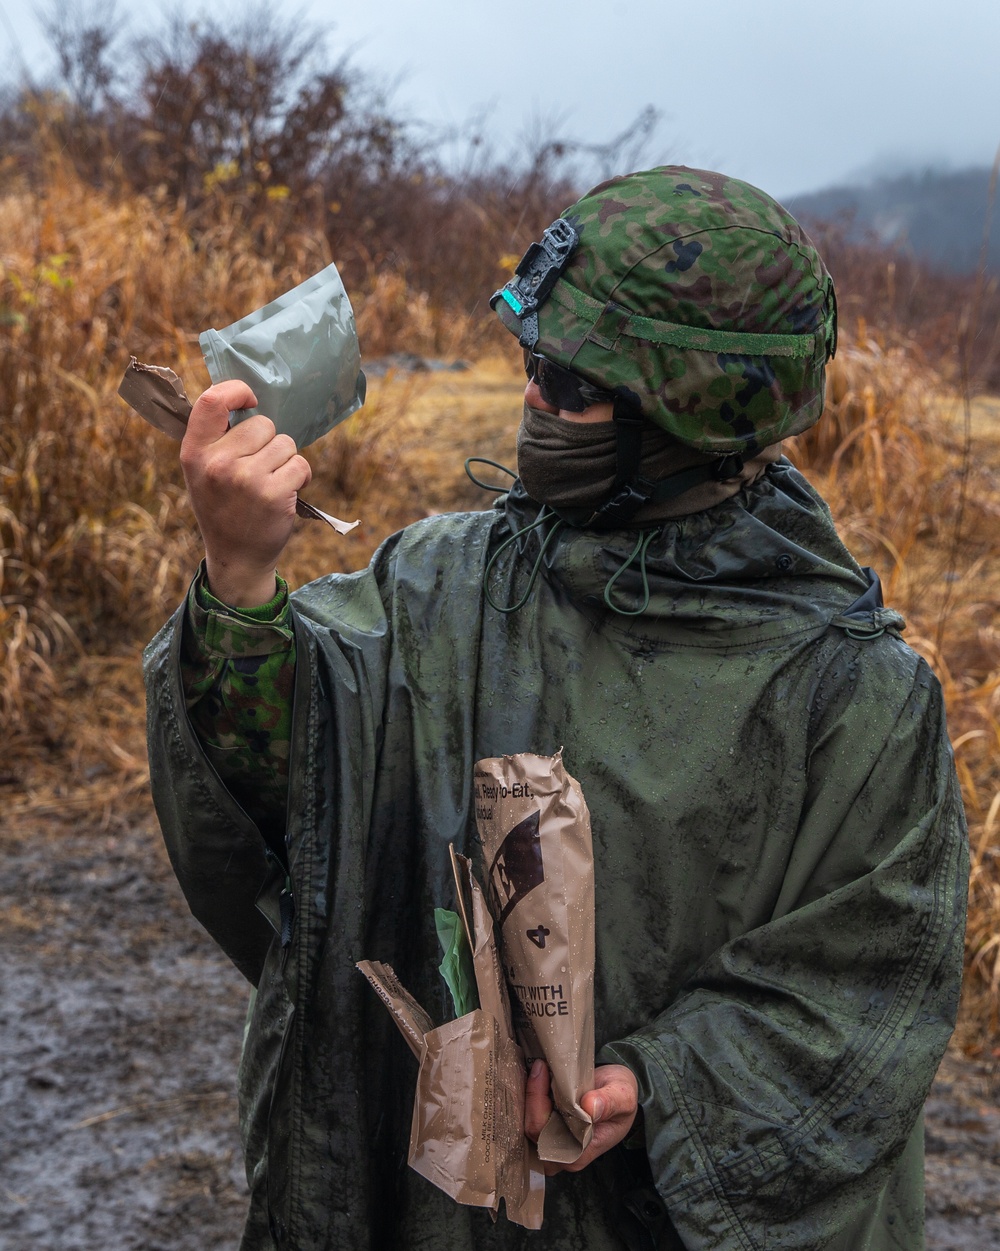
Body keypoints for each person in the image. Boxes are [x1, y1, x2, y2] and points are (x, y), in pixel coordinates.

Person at [144, 166, 969, 1251]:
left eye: (575, 386)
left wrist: (659, 1085)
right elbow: (291, 805)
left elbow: (869, 988)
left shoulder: (851, 695)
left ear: (689, 416)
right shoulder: (442, 584)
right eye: (535, 364)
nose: (536, 399)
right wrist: (241, 584)